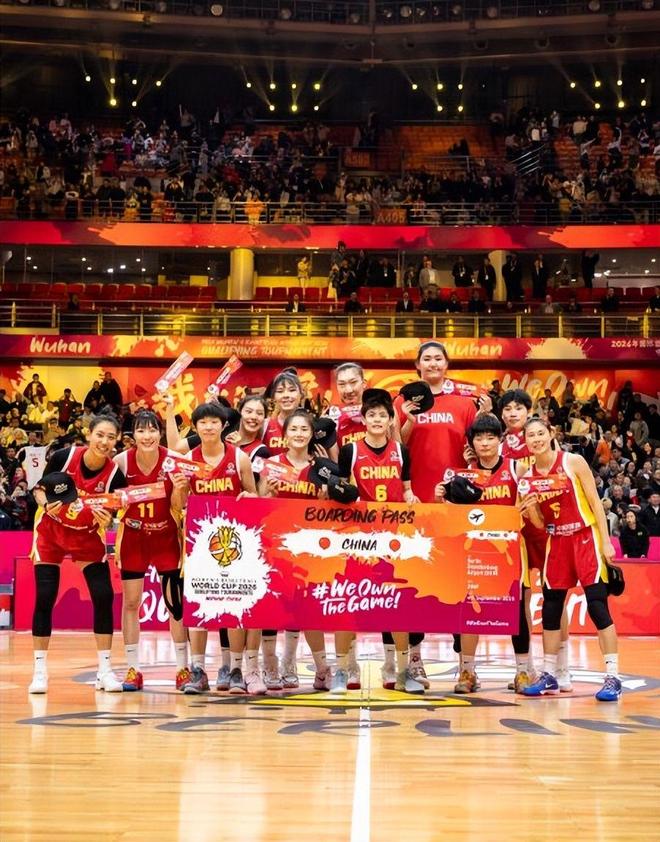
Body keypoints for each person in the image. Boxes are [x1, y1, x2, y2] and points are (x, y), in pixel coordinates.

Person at [394, 341, 487, 682]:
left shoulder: (465, 403)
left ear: (447, 364)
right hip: (415, 505)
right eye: (427, 359)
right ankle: (415, 660)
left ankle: (466, 667)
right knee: (415, 585)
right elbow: (395, 448)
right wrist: (408, 418)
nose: (433, 363)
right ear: (417, 366)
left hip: (455, 508)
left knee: (460, 586)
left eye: (438, 358)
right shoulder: (403, 401)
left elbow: (479, 449)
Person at [521, 418, 622, 702]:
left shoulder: (573, 462)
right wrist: (531, 510)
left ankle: (613, 677)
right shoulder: (528, 476)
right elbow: (540, 524)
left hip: (585, 537)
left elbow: (595, 502)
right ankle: (549, 674)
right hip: (557, 542)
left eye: (541, 433)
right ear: (525, 441)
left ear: (551, 434)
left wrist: (606, 541)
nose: (536, 439)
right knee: (551, 609)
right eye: (531, 436)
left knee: (598, 606)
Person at [29, 407, 127, 694]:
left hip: (86, 536)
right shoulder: (64, 457)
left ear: (116, 441)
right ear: (89, 434)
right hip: (51, 533)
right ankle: (39, 672)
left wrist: (109, 520)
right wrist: (45, 503)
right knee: (45, 596)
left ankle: (104, 671)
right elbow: (39, 489)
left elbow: (115, 513)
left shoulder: (115, 475)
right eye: (100, 435)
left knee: (104, 595)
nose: (104, 442)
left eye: (111, 437)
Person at [437, 413, 533, 694]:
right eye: (479, 438)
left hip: (510, 550)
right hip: (475, 551)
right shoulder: (463, 475)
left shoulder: (517, 469)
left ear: (500, 439)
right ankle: (467, 671)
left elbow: (530, 507)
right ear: (471, 443)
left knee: (517, 611)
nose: (485, 443)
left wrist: (524, 508)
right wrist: (441, 498)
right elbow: (452, 517)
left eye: (491, 437)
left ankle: (523, 671)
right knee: (469, 609)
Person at [338, 389, 423, 694]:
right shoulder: (349, 451)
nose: (376, 419)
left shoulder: (401, 451)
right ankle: (347, 667)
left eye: (382, 415)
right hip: (358, 541)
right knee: (350, 603)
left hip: (393, 539)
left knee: (396, 605)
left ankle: (399, 669)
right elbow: (341, 493)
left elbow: (407, 489)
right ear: (363, 419)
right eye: (371, 415)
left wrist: (412, 498)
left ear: (390, 421)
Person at [181, 402, 258, 695]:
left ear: (223, 425)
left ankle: (236, 669)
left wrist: (249, 498)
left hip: (235, 544)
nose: (209, 427)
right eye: (203, 422)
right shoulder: (187, 460)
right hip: (200, 543)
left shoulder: (239, 457)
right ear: (195, 427)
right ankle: (198, 670)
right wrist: (179, 487)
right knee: (199, 606)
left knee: (235, 605)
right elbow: (178, 505)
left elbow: (253, 496)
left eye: (214, 422)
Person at [113, 410, 190, 691]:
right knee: (131, 603)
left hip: (166, 537)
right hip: (133, 538)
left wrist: (180, 489)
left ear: (160, 432)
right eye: (141, 430)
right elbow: (111, 502)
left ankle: (182, 669)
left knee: (175, 605)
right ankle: (133, 669)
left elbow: (179, 505)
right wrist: (117, 500)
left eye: (152, 430)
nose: (147, 436)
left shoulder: (174, 460)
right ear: (133, 434)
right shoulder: (121, 462)